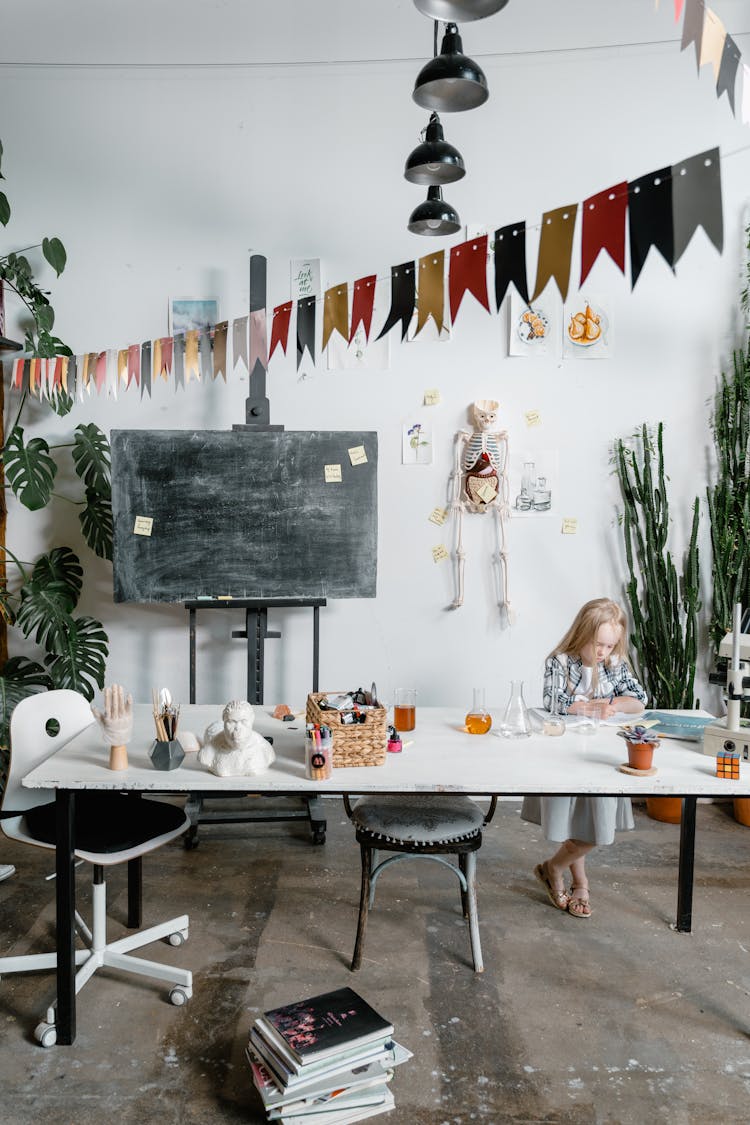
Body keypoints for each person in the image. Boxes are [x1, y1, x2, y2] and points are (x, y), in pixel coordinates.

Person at [521, 597, 647, 919]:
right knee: (576, 821)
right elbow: (552, 702)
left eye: (610, 645)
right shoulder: (560, 661)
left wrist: (615, 704)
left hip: (599, 755)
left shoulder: (613, 663)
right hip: (565, 754)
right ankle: (580, 882)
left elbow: (640, 699)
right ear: (582, 633)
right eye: (599, 644)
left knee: (597, 825)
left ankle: (553, 867)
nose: (604, 652)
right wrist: (587, 706)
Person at [198, 699, 275, 777]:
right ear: (224, 722)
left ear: (252, 720)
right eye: (231, 722)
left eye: (243, 722)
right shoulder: (210, 749)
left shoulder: (263, 747)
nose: (237, 728)